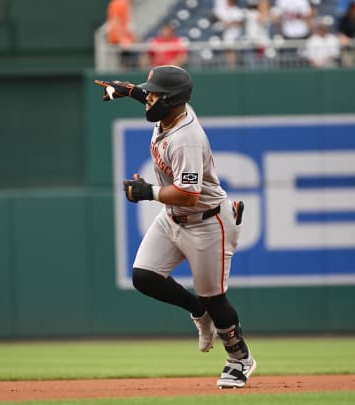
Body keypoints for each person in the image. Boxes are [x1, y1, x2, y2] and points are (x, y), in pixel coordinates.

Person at [95, 65, 256, 389]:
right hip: (172, 217)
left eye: (154, 94)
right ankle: (198, 311)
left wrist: (148, 192)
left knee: (216, 299)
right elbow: (149, 97)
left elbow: (189, 193)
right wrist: (127, 90)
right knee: (144, 276)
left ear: (170, 100)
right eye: (148, 92)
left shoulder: (187, 139)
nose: (148, 97)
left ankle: (240, 359)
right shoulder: (170, 112)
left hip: (207, 221)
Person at [214, 0, 247, 68]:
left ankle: (232, 67)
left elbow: (240, 22)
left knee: (231, 45)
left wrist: (231, 23)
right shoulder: (222, 10)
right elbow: (217, 21)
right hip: (223, 35)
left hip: (235, 36)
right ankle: (231, 66)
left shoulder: (237, 10)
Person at [106, 0, 137, 70]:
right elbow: (115, 21)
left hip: (125, 41)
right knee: (123, 67)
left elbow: (126, 24)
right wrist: (122, 39)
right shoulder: (119, 3)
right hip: (118, 41)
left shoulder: (125, 4)